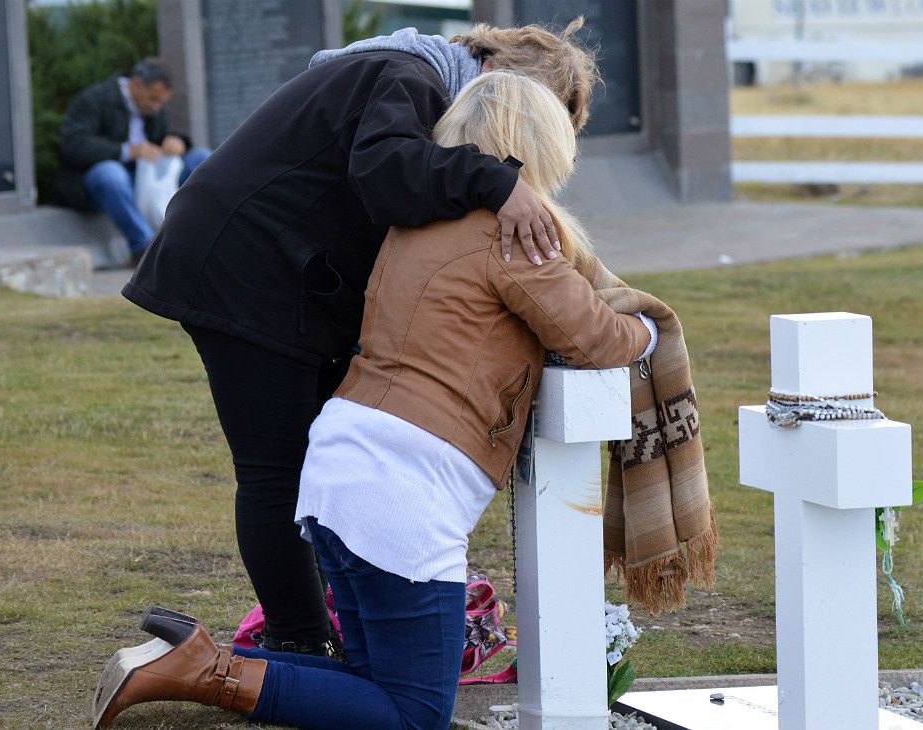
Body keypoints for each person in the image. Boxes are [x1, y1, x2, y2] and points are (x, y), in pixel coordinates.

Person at [94, 71, 655, 730]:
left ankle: (198, 660)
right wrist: (648, 328)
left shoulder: (411, 222)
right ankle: (203, 668)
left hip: (341, 466)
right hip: (406, 489)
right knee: (416, 715)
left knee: (373, 683)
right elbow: (593, 336)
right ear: (542, 145)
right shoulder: (514, 235)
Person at [50, 58, 212, 261]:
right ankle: (146, 248)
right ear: (136, 84)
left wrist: (176, 141)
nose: (156, 107)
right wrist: (127, 151)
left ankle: (207, 235)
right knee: (110, 174)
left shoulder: (154, 108)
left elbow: (162, 135)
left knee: (203, 158)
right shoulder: (94, 99)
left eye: (161, 102)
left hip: (148, 177)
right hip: (102, 180)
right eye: (153, 99)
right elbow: (74, 145)